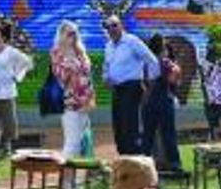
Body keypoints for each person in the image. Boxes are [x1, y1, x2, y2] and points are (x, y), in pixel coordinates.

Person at [101, 14, 159, 155]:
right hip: (117, 89)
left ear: (121, 25)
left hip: (132, 87)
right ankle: (124, 157)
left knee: (130, 126)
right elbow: (106, 65)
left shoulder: (132, 41)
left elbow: (151, 60)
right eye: (108, 27)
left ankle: (135, 158)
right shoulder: (108, 46)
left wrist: (150, 82)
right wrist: (106, 77)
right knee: (118, 125)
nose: (112, 29)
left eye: (115, 25)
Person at [0, 21, 33, 155]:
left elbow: (27, 63)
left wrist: (17, 76)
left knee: (8, 119)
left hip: (6, 91)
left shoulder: (12, 52)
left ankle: (7, 144)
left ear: (4, 37)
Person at [50, 19, 94, 159]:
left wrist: (90, 100)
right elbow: (60, 77)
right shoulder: (57, 52)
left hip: (85, 101)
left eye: (75, 33)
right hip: (70, 102)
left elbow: (87, 75)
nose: (73, 36)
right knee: (72, 143)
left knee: (83, 142)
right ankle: (66, 179)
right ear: (61, 34)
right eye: (69, 33)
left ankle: (78, 179)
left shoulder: (80, 50)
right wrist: (69, 60)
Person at [142, 33, 182, 170]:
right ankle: (175, 163)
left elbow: (144, 80)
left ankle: (144, 164)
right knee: (169, 133)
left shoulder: (146, 62)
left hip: (148, 102)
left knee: (148, 135)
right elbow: (173, 78)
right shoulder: (165, 62)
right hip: (164, 100)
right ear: (162, 47)